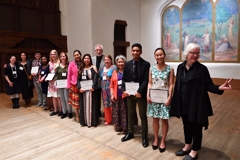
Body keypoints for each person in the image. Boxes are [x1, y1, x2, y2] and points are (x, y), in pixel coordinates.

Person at [170, 43, 232, 160]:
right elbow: (178, 86)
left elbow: (208, 85)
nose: (195, 55)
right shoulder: (180, 67)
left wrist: (220, 87)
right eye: (192, 53)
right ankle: (187, 146)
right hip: (183, 103)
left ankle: (194, 151)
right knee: (186, 126)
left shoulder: (202, 69)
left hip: (196, 104)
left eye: (197, 53)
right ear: (187, 53)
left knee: (196, 127)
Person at [121, 43, 150, 148]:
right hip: (129, 94)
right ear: (131, 52)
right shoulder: (127, 64)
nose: (135, 52)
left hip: (140, 94)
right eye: (133, 50)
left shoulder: (146, 64)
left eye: (137, 51)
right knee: (131, 114)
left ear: (141, 52)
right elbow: (124, 79)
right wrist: (123, 90)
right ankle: (130, 133)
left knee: (143, 115)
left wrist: (140, 91)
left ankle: (144, 136)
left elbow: (146, 80)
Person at [147, 48, 174, 152]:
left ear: (164, 55)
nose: (159, 57)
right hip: (154, 97)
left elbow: (171, 84)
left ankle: (163, 140)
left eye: (161, 54)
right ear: (155, 56)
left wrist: (169, 97)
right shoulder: (151, 68)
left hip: (164, 98)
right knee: (155, 119)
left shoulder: (170, 69)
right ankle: (156, 139)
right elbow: (150, 82)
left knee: (164, 120)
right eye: (157, 55)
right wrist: (147, 95)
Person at [77, 54, 98, 127]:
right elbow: (78, 79)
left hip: (91, 90)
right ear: (83, 59)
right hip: (83, 91)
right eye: (85, 58)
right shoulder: (80, 68)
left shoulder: (93, 67)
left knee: (92, 105)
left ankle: (92, 122)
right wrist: (79, 88)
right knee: (84, 105)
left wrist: (93, 87)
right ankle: (85, 121)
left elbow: (95, 78)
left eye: (88, 58)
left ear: (90, 59)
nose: (87, 60)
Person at [110, 55, 128, 133]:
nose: (120, 63)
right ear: (117, 63)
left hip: (125, 96)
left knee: (124, 111)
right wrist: (112, 94)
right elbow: (111, 85)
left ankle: (125, 127)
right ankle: (118, 126)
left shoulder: (127, 72)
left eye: (122, 62)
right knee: (116, 111)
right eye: (119, 62)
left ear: (125, 62)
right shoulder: (114, 72)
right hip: (116, 95)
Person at [54, 52, 72, 119]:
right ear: (60, 58)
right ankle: (64, 112)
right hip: (59, 85)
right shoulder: (58, 66)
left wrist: (69, 84)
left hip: (66, 85)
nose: (62, 58)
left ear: (66, 57)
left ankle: (69, 112)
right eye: (61, 56)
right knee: (62, 99)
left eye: (64, 56)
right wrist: (55, 84)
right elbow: (56, 76)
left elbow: (70, 75)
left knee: (67, 98)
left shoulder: (69, 65)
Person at [100, 55, 116, 125]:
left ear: (111, 60)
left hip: (111, 88)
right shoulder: (103, 68)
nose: (107, 61)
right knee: (106, 104)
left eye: (108, 59)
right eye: (105, 60)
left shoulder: (113, 67)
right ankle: (108, 120)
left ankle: (115, 120)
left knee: (112, 103)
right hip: (103, 88)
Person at [67, 50, 82, 121]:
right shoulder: (71, 64)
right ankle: (77, 115)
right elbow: (69, 75)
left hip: (83, 84)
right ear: (74, 56)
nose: (77, 56)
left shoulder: (83, 63)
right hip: (74, 84)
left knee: (82, 100)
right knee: (76, 101)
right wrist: (69, 86)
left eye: (78, 54)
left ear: (80, 55)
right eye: (75, 55)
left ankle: (83, 114)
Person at [47, 50, 62, 116]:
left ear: (56, 55)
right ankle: (55, 110)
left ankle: (61, 110)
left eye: (54, 54)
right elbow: (50, 71)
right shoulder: (50, 62)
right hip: (51, 82)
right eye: (51, 54)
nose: (53, 55)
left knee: (59, 96)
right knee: (53, 96)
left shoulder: (59, 62)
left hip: (57, 81)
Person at [92, 44, 105, 117]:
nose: (98, 51)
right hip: (95, 82)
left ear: (102, 51)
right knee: (96, 99)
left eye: (100, 50)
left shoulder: (105, 58)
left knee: (105, 98)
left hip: (103, 82)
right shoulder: (92, 59)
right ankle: (97, 112)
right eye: (97, 50)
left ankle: (106, 113)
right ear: (95, 51)